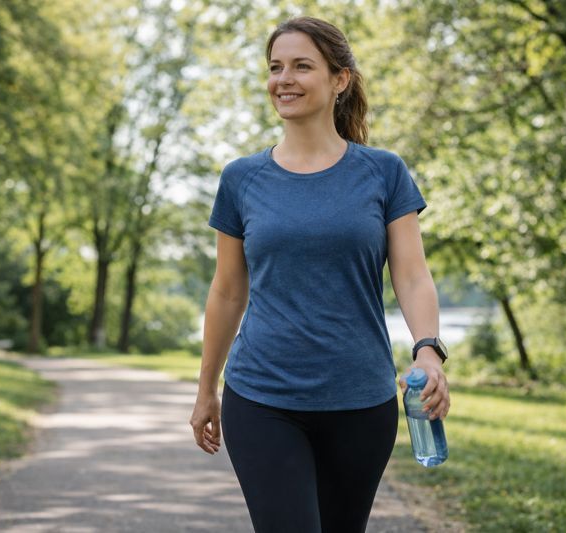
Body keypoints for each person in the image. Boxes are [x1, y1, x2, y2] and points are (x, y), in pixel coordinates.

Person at [189, 15, 451, 533]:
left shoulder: (384, 172)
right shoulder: (242, 179)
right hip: (261, 396)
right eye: (275, 67)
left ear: (339, 80)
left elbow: (412, 275)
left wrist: (428, 349)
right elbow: (227, 292)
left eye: (301, 66)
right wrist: (206, 388)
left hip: (362, 401)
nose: (283, 79)